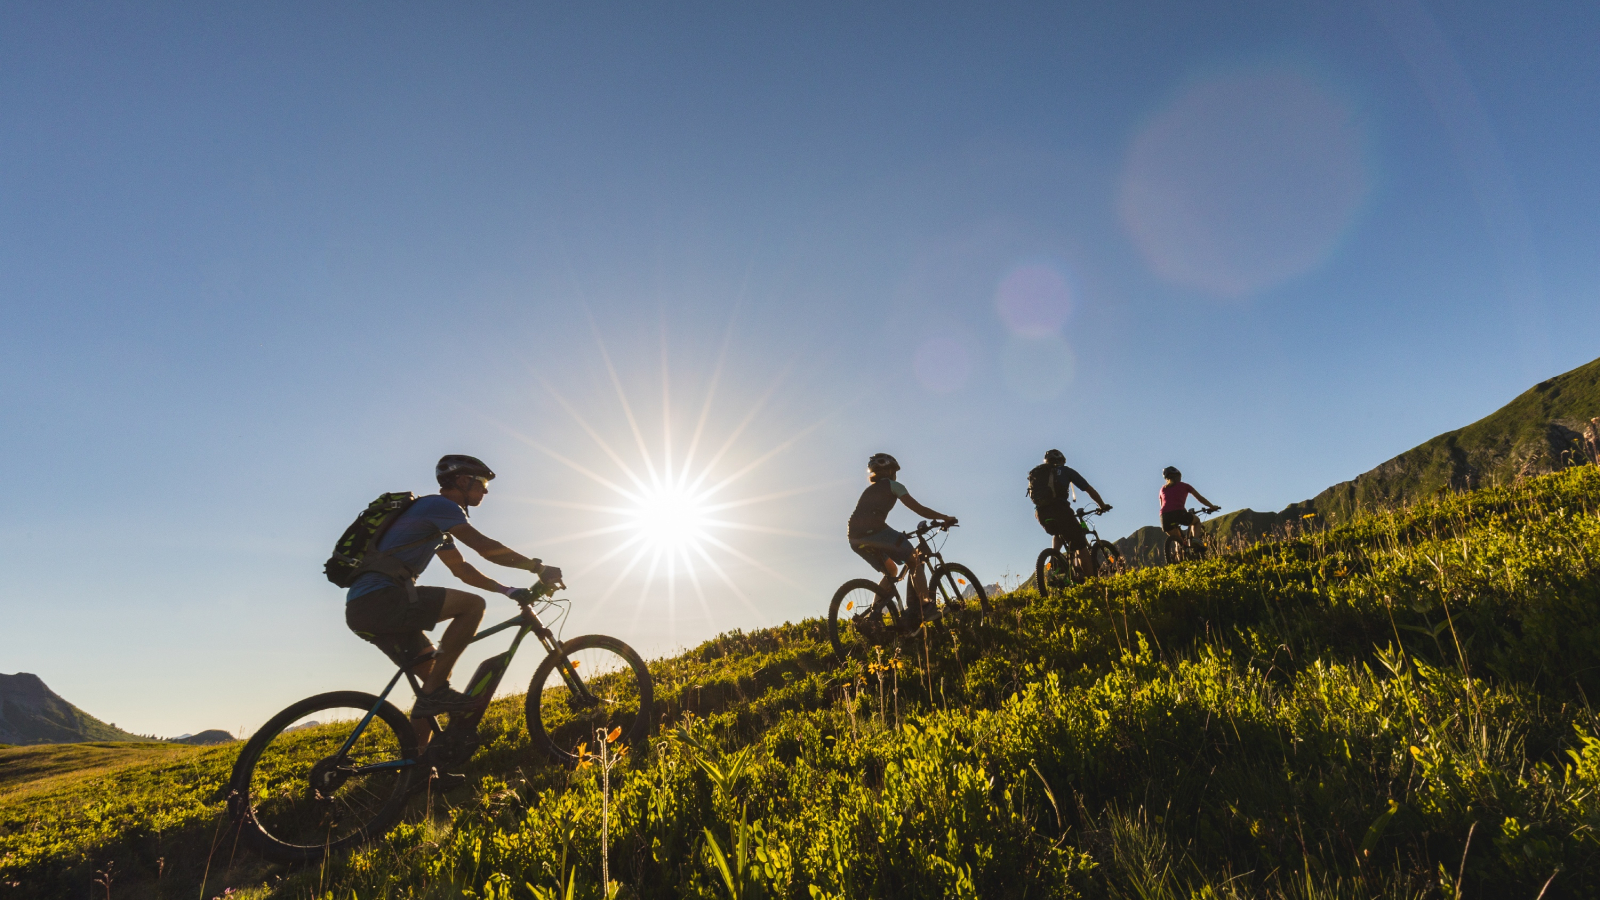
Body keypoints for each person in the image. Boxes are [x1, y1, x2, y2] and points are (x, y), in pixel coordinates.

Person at [344, 455, 562, 736]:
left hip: (366, 607)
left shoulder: (433, 521)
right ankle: (435, 694)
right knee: (472, 606)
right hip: (381, 599)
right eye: (482, 483)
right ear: (462, 480)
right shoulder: (441, 506)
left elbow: (462, 570)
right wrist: (538, 567)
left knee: (434, 681)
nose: (485, 490)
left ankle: (420, 768)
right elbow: (483, 546)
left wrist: (507, 590)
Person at [847, 453, 956, 612]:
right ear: (891, 471)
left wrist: (895, 538)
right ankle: (926, 606)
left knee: (891, 571)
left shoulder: (869, 491)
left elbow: (867, 516)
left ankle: (874, 615)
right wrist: (944, 517)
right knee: (914, 560)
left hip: (855, 538)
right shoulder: (893, 485)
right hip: (875, 531)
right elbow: (919, 509)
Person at [1027, 449, 1111, 577]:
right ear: (1061, 461)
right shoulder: (1065, 471)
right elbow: (1088, 489)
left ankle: (1054, 558)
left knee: (1059, 531)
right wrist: (1102, 505)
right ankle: (1093, 584)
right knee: (1081, 545)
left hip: (1041, 514)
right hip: (1060, 510)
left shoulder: (1039, 474)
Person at [1159, 466, 1219, 550]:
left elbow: (1162, 506)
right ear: (1178, 476)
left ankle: (1178, 559)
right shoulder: (1184, 486)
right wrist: (1212, 507)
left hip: (1164, 517)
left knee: (1179, 541)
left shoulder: (1163, 489)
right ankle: (1195, 539)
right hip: (1179, 513)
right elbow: (1200, 498)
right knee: (1196, 521)